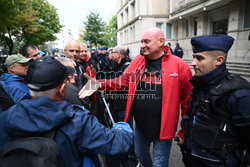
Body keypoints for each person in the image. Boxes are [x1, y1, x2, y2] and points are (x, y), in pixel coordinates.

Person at [79, 27, 193, 167]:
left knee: (160, 164)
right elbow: (123, 81)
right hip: (140, 125)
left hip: (164, 129)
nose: (142, 45)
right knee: (140, 154)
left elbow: (188, 102)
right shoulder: (138, 61)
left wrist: (183, 131)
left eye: (147, 41)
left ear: (161, 42)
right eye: (141, 41)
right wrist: (99, 84)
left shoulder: (180, 66)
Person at [0, 56, 134, 167]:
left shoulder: (6, 117)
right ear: (63, 88)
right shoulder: (77, 120)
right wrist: (122, 127)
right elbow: (118, 143)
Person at [180, 34, 250, 167]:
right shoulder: (199, 87)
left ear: (219, 60)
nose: (193, 63)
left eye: (199, 58)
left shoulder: (239, 94)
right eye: (194, 57)